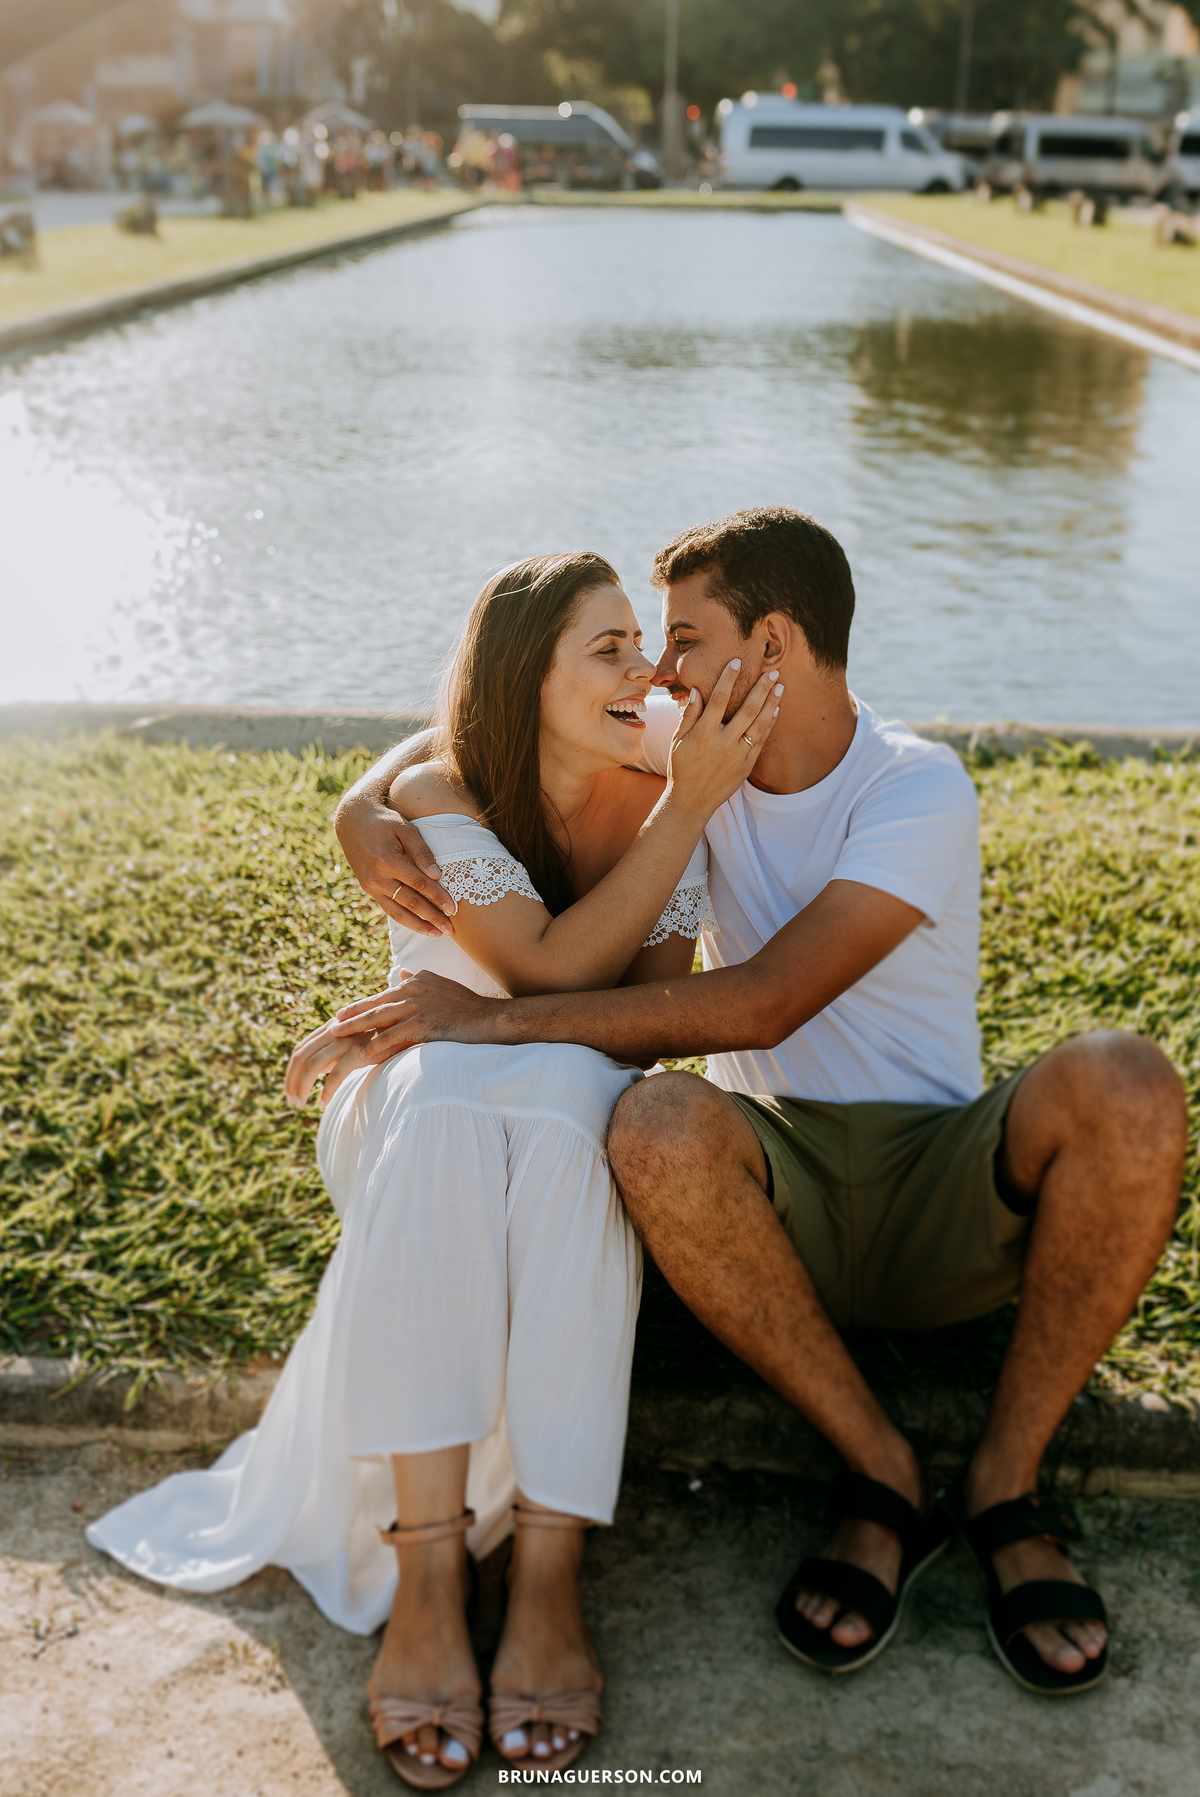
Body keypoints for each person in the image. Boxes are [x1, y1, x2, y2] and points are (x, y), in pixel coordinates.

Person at [332, 506, 1187, 1700]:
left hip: (935, 1174)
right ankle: (883, 1474)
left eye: (683, 639)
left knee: (1126, 1077)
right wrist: (363, 804)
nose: (660, 674)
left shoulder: (914, 784)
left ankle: (1005, 1486)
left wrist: (488, 1020)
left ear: (771, 644)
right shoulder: (694, 745)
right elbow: (504, 708)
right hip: (770, 1194)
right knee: (657, 1120)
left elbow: (769, 1001)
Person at [87, 551, 780, 1789]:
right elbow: (549, 973)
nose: (645, 670)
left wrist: (673, 809)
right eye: (609, 649)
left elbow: (637, 1027)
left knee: (563, 1103)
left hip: (563, 1104)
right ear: (525, 681)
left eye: (643, 643)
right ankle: (425, 1582)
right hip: (409, 1108)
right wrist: (675, 814)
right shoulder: (447, 788)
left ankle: (550, 1578)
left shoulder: (663, 765)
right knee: (456, 1099)